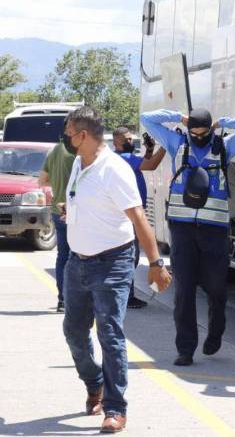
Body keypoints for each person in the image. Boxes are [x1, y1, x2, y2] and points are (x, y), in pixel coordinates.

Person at [61, 106, 172, 433]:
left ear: (83, 135)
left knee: (110, 334)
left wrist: (156, 264)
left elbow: (139, 218)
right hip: (76, 263)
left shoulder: (115, 169)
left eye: (69, 133)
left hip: (111, 263)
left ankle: (115, 408)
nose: (66, 138)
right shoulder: (79, 163)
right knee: (74, 333)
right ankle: (94, 382)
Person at [140, 108, 235, 366]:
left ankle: (216, 332)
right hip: (182, 228)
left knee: (216, 288)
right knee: (183, 289)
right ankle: (185, 348)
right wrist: (179, 118)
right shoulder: (177, 143)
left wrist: (223, 122)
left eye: (203, 132)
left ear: (210, 130)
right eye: (193, 132)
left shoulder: (224, 146)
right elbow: (146, 119)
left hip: (214, 229)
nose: (198, 137)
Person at [112, 127, 166, 309]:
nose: (130, 141)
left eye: (131, 138)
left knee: (130, 256)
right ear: (116, 143)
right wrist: (165, 146)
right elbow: (150, 165)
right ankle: (127, 297)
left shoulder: (121, 157)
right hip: (129, 214)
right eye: (126, 139)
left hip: (128, 212)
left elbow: (145, 161)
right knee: (130, 256)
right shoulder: (123, 158)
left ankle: (126, 295)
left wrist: (150, 149)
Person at [39, 134, 75, 312]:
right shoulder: (79, 151)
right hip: (75, 211)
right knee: (78, 257)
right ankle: (75, 300)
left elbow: (42, 180)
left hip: (56, 209)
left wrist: (58, 185)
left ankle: (62, 300)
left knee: (63, 256)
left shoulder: (54, 151)